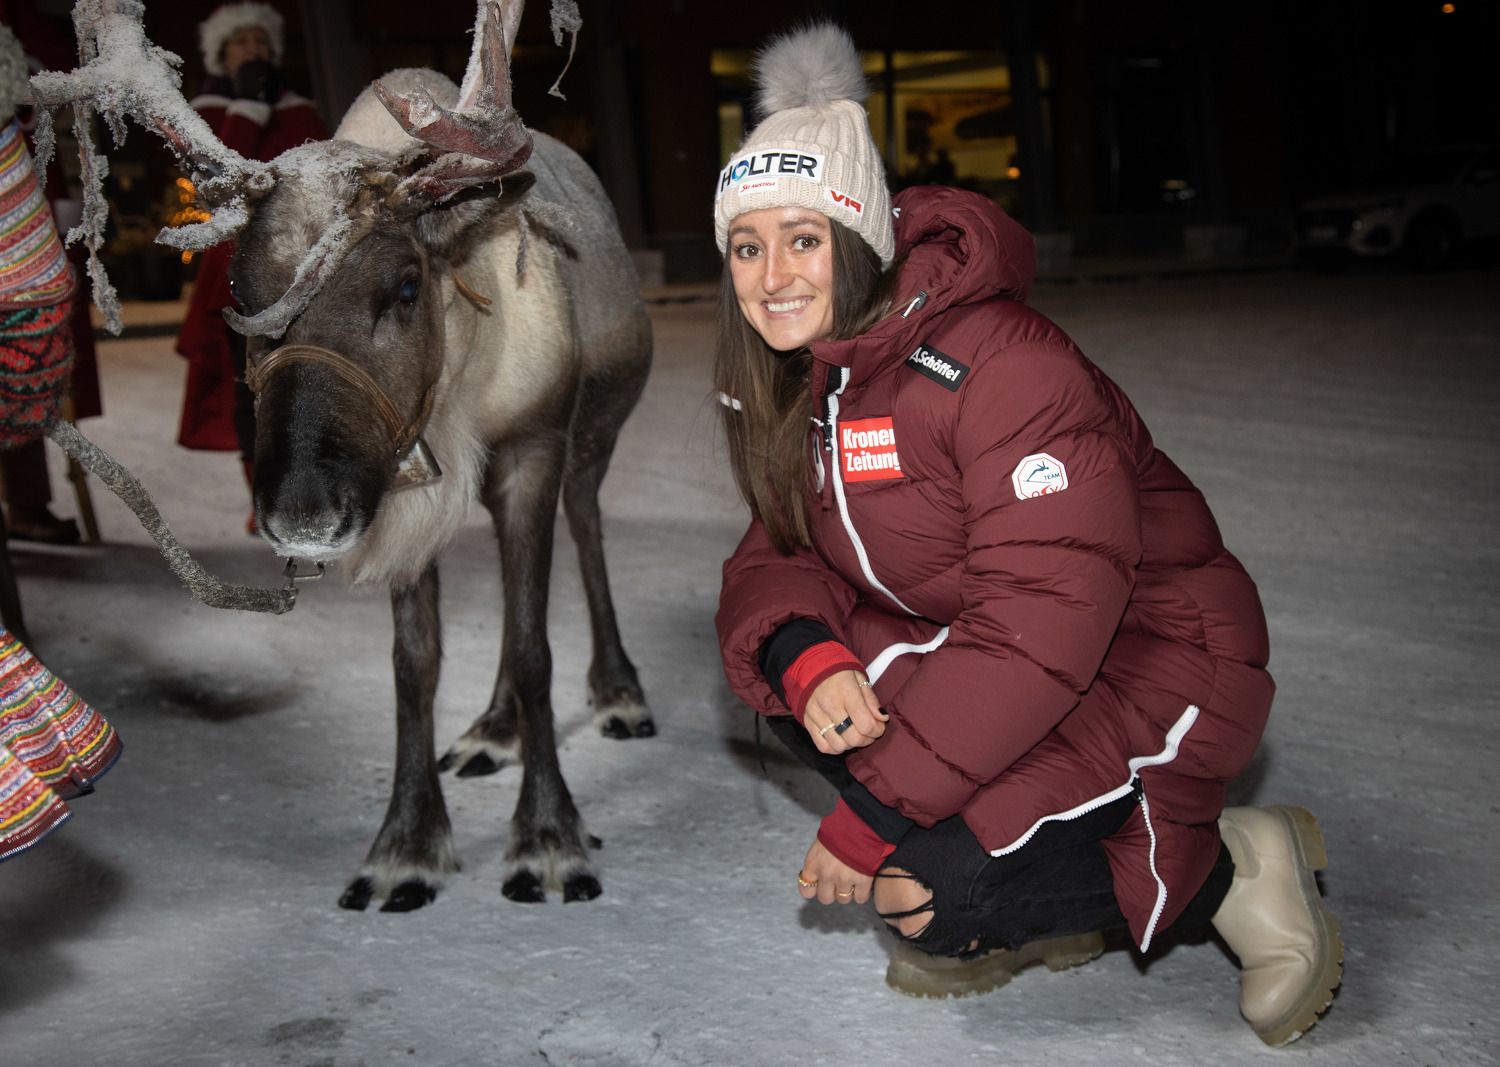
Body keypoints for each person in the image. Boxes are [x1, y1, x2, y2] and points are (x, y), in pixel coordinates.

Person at [712, 23, 1342, 1047]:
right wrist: (808, 656)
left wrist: (873, 816)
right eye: (747, 246)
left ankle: (1234, 868)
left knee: (925, 895)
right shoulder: (816, 374)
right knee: (798, 695)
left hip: (1154, 657)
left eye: (802, 238)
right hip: (1004, 656)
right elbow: (774, 552)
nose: (772, 274)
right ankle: (1038, 879)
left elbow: (1046, 615)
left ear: (858, 238)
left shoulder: (1002, 363)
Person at [174, 2, 324, 534]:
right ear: (221, 52)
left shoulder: (300, 109)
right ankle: (264, 497)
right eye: (242, 42)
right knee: (252, 391)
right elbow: (219, 179)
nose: (255, 50)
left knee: (311, 383)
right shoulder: (205, 111)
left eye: (262, 42)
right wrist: (248, 105)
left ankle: (318, 487)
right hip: (237, 275)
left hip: (305, 266)